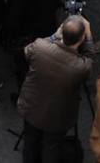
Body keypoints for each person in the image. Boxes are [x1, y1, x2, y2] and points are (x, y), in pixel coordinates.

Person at [18, 16, 94, 162]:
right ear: (81, 39)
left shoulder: (39, 46)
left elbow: (26, 52)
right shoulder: (80, 67)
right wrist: (89, 35)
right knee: (51, 147)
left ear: (61, 32)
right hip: (57, 118)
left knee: (30, 142)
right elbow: (90, 58)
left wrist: (54, 36)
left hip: (31, 107)